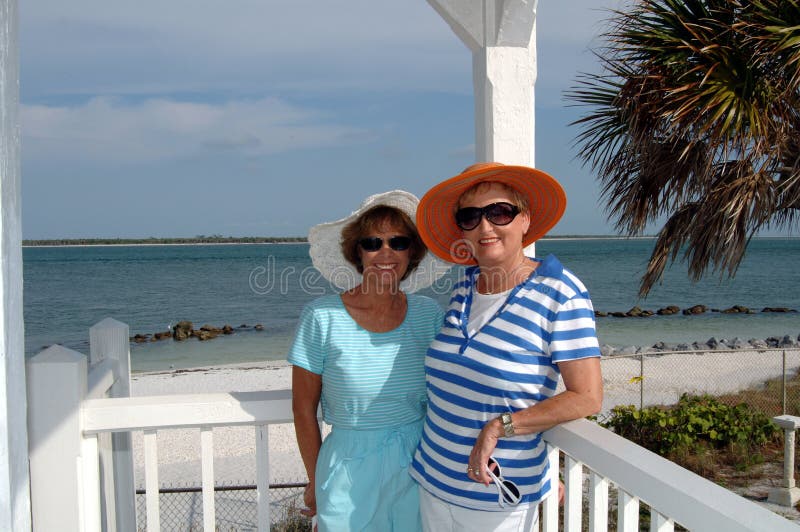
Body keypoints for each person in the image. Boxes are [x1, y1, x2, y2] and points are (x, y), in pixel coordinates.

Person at [409, 163, 603, 531]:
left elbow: (587, 396)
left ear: (525, 220)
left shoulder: (560, 293)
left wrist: (501, 426)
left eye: (499, 212)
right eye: (470, 216)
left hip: (496, 496)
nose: (485, 226)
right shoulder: (465, 288)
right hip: (433, 482)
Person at [288, 190, 447, 532]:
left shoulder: (429, 316)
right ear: (357, 252)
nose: (385, 252)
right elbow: (303, 409)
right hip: (347, 470)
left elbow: (449, 395)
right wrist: (315, 479)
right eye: (373, 242)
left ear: (412, 252)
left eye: (399, 242)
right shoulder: (321, 317)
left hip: (419, 467)